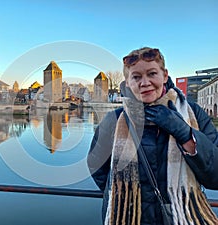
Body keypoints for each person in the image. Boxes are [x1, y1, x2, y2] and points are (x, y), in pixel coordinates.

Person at [87, 47, 218, 225]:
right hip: (129, 218)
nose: (145, 82)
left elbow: (215, 176)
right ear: (127, 83)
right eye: (136, 77)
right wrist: (123, 196)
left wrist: (184, 132)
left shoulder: (193, 114)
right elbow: (96, 165)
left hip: (183, 217)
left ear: (165, 76)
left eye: (152, 74)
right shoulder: (115, 120)